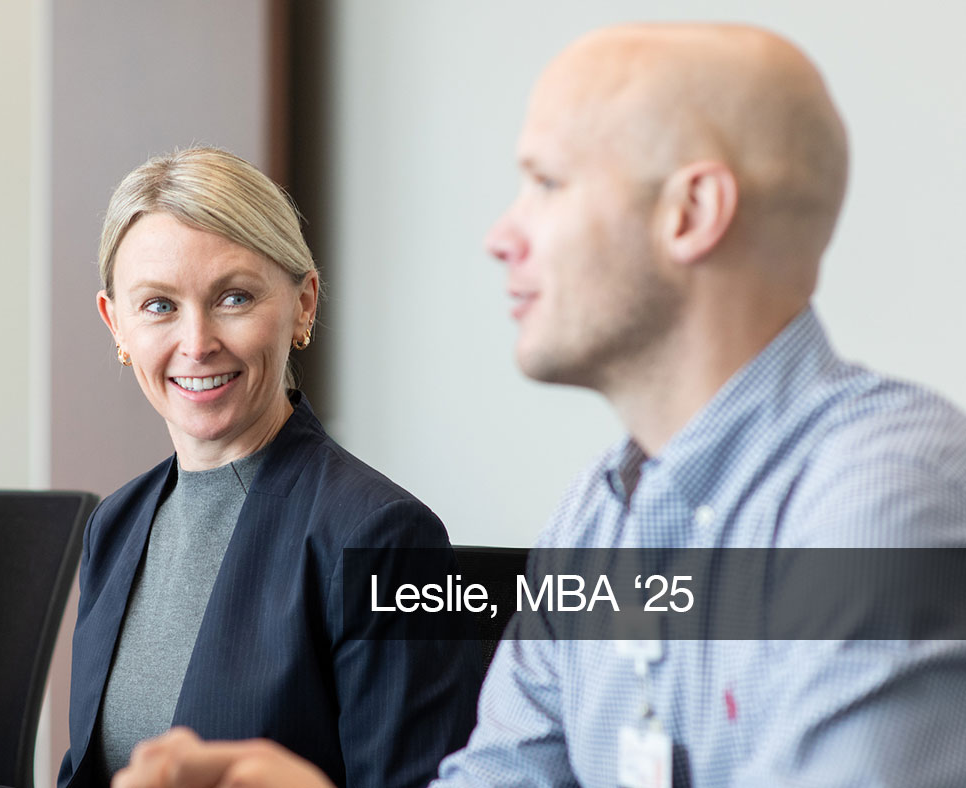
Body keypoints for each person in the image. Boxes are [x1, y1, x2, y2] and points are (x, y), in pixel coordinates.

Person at [109, 23, 966, 788]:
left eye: (547, 183)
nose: (501, 236)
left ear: (692, 213)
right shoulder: (596, 520)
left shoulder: (880, 494)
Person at [58, 146, 479, 788]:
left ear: (303, 304)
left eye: (234, 298)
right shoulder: (114, 525)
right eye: (159, 306)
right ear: (116, 324)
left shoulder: (382, 535)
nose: (197, 343)